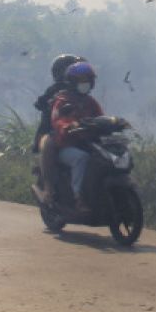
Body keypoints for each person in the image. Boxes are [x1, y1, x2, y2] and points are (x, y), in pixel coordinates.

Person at [50, 61, 103, 213]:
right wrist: (69, 125)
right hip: (66, 147)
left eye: (87, 80)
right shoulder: (62, 100)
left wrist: (112, 125)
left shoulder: (91, 102)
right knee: (81, 158)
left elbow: (101, 118)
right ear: (72, 83)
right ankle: (78, 197)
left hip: (88, 145)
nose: (84, 84)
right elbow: (58, 120)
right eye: (81, 81)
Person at [34, 53, 84, 203]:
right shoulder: (56, 91)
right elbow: (39, 104)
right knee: (49, 146)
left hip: (73, 132)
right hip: (52, 132)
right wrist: (52, 102)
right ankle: (49, 191)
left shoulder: (80, 92)